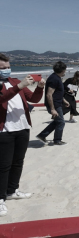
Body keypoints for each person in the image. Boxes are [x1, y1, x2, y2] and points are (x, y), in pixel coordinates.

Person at [0, 53, 46, 217]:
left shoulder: (14, 82)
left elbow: (33, 98)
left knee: (18, 162)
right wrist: (20, 86)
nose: (6, 70)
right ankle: (0, 199)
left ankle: (12, 191)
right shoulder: (14, 85)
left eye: (8, 67)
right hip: (4, 131)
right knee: (3, 165)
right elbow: (3, 97)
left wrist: (40, 87)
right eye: (2, 68)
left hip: (22, 128)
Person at [36, 61, 69, 146]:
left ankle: (42, 135)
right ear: (62, 70)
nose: (65, 71)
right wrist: (52, 109)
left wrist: (64, 101)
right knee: (61, 122)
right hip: (54, 105)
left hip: (58, 103)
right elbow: (49, 94)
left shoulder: (57, 78)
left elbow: (57, 93)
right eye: (65, 70)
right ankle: (57, 140)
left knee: (57, 122)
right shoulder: (54, 79)